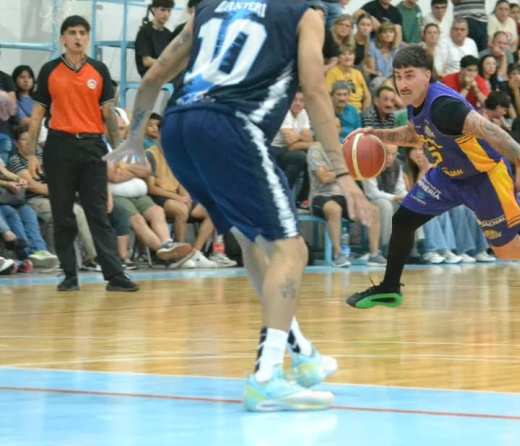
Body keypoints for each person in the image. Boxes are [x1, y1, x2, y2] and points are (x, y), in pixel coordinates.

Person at [106, 0, 373, 412]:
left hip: (178, 128)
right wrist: (343, 176)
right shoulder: (306, 13)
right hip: (232, 126)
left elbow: (157, 73)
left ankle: (302, 354)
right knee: (292, 250)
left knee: (252, 241)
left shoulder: (211, 7)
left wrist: (135, 139)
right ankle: (266, 376)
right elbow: (316, 90)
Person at [344, 45, 520, 309]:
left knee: (507, 250)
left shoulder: (444, 106)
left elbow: (493, 132)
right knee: (403, 220)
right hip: (447, 175)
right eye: (398, 76)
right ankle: (389, 288)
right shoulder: (416, 103)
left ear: (427, 76)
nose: (402, 83)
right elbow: (417, 134)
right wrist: (377, 134)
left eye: (409, 75)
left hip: (484, 178)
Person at [26, 16, 137, 292]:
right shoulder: (49, 70)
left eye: (83, 33)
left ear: (88, 38)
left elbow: (109, 115)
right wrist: (29, 154)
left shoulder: (98, 70)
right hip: (59, 146)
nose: (78, 37)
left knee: (98, 212)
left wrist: (116, 152)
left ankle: (115, 275)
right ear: (62, 39)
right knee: (63, 214)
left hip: (93, 146)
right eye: (72, 33)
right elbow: (37, 115)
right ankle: (69, 274)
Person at [134, 0, 174, 77]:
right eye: (162, 10)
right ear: (153, 9)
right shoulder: (145, 32)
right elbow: (147, 61)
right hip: (151, 74)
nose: (166, 14)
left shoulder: (168, 34)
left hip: (166, 73)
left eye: (169, 11)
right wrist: (169, 64)